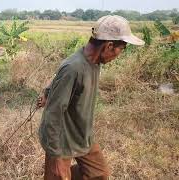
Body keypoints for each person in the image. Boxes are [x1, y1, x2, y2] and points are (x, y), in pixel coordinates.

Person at [37, 15, 145, 180]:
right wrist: (57, 157)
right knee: (58, 176)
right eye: (122, 49)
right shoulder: (74, 67)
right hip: (62, 139)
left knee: (99, 174)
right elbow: (53, 113)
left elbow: (59, 77)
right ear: (109, 46)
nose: (120, 54)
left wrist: (47, 91)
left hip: (81, 133)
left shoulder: (94, 61)